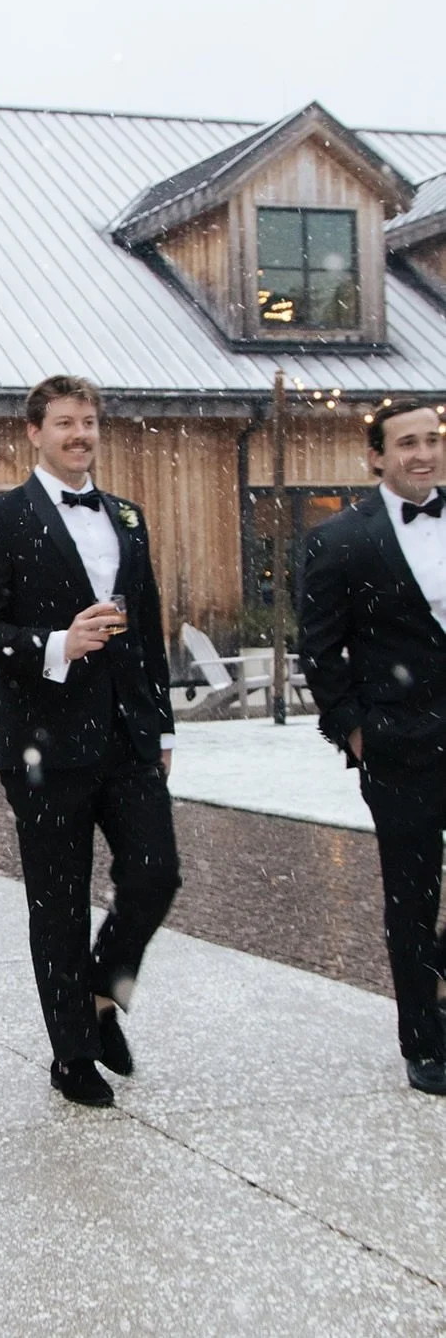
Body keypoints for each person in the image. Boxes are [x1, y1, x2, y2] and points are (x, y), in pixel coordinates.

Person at [0, 374, 181, 1109]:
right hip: (42, 744)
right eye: (64, 423)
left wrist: (161, 724)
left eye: (88, 422)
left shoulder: (126, 515)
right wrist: (59, 643)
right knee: (56, 904)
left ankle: (101, 994)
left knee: (155, 873)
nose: (79, 434)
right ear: (34, 432)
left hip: (125, 736)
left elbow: (145, 630)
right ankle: (69, 1054)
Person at [299, 400, 446, 1096]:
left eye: (431, 440)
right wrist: (354, 731)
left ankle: (437, 977)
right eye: (406, 444)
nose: (422, 453)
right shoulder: (340, 541)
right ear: (376, 458)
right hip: (399, 748)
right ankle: (424, 1041)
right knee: (410, 897)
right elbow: (320, 651)